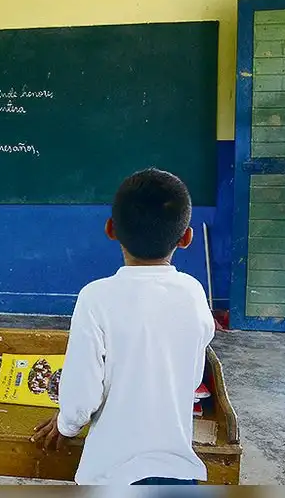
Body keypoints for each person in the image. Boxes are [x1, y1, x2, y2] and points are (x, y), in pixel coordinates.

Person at [31, 168, 216, 485]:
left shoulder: (95, 298)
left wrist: (66, 425)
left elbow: (81, 397)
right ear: (186, 237)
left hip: (112, 474)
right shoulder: (194, 292)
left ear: (110, 229)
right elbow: (192, 375)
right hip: (178, 473)